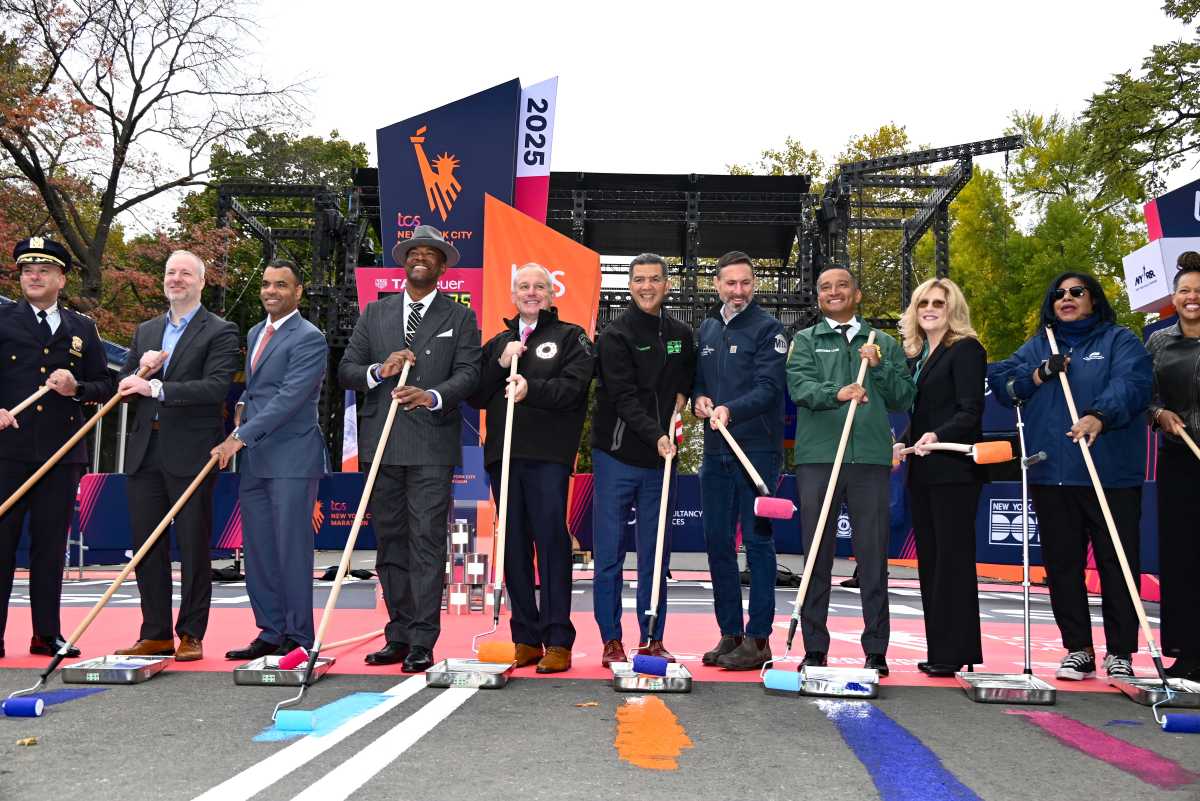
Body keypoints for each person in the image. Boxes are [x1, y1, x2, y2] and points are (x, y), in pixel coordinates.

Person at [988, 272, 1152, 681]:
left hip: (1109, 475)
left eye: (1077, 292)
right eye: (1059, 294)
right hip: (1053, 475)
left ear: (1093, 299)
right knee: (1062, 566)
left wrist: (1099, 414)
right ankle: (1078, 648)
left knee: (1117, 564)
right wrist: (1039, 374)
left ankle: (1120, 652)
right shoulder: (1039, 345)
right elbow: (1002, 382)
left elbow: (1132, 384)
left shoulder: (1120, 340)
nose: (1067, 298)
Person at [338, 225, 481, 673]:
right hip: (381, 445)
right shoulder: (375, 313)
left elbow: (469, 373)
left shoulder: (459, 317)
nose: (421, 258)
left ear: (442, 267)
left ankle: (422, 639)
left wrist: (432, 395)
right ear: (404, 262)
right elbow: (346, 369)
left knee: (425, 542)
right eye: (414, 252)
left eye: (430, 254)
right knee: (390, 543)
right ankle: (397, 634)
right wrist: (379, 370)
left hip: (431, 446)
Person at [786, 266, 915, 676]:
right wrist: (837, 392)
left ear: (856, 295)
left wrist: (879, 368)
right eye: (825, 287)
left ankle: (876, 649)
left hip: (870, 461)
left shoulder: (883, 342)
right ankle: (815, 648)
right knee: (817, 555)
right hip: (819, 458)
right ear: (818, 297)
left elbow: (903, 397)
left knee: (873, 556)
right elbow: (799, 388)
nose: (834, 292)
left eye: (842, 285)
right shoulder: (806, 340)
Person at [466, 263, 593, 673]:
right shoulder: (498, 343)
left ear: (551, 293)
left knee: (551, 544)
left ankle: (558, 639)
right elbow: (476, 395)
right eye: (524, 286)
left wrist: (530, 388)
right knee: (514, 546)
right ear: (513, 293)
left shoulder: (571, 336)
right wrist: (500, 364)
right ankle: (525, 637)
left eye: (539, 286)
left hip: (547, 457)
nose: (532, 292)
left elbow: (574, 389)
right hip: (503, 458)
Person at [113, 250, 238, 662]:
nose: (176, 279)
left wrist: (157, 387)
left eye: (186, 273)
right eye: (170, 272)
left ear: (201, 281)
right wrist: (139, 373)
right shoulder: (146, 330)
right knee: (146, 546)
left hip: (192, 452)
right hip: (144, 452)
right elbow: (124, 386)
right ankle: (155, 633)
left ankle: (191, 632)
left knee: (193, 545)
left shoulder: (220, 330)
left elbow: (216, 387)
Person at [0, 237, 113, 659]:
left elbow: (106, 384)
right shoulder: (2, 319)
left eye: (43, 270)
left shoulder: (81, 327)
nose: (34, 276)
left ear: (61, 279)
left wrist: (76, 387)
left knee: (50, 548)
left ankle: (46, 634)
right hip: (7, 451)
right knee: (2, 546)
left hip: (60, 454)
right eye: (27, 270)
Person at [217, 260, 329, 660]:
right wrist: (243, 407)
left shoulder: (310, 338)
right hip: (257, 459)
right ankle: (270, 630)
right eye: (266, 284)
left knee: (290, 550)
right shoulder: (255, 332)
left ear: (298, 292)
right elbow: (259, 390)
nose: (271, 291)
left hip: (292, 459)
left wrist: (238, 437)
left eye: (281, 285)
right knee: (259, 549)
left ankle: (298, 635)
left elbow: (289, 398)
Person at [590, 253, 695, 668]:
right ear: (629, 285)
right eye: (639, 279)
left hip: (660, 463)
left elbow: (687, 374)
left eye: (654, 279)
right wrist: (656, 435)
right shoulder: (614, 334)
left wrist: (684, 395)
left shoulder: (681, 333)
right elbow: (623, 397)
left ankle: (652, 637)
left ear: (667, 284)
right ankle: (611, 638)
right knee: (609, 553)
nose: (646, 286)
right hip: (617, 455)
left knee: (655, 555)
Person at [693, 251, 787, 671]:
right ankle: (730, 632)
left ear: (754, 284)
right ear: (717, 285)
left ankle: (759, 638)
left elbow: (769, 388)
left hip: (757, 452)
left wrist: (730, 409)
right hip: (715, 452)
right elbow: (699, 381)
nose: (738, 290)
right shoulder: (708, 328)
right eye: (730, 283)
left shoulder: (769, 329)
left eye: (745, 282)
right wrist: (700, 400)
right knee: (717, 543)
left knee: (757, 542)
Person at [892, 278, 987, 676]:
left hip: (954, 471)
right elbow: (923, 416)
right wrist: (903, 442)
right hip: (924, 471)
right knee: (931, 561)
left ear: (953, 310)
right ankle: (941, 650)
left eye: (939, 303)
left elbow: (969, 412)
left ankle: (955, 650)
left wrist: (937, 436)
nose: (930, 309)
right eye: (923, 303)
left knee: (952, 560)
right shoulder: (918, 357)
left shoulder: (966, 349)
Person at [1146, 252, 1200, 681]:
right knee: (1181, 555)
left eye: (1199, 291)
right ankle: (1186, 651)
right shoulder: (1158, 342)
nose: (1191, 297)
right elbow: (1144, 395)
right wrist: (1158, 414)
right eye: (1184, 290)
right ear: (1174, 296)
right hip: (1179, 458)